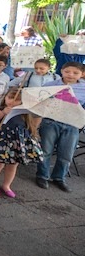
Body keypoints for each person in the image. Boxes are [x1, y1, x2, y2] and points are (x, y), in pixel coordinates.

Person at [36, 61, 85, 192]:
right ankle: (42, 175)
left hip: (72, 124)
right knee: (46, 150)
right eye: (67, 71)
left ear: (82, 74)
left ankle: (59, 177)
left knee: (66, 153)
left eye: (75, 73)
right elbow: (41, 102)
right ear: (62, 71)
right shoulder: (50, 85)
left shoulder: (84, 88)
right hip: (51, 121)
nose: (71, 75)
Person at [0, 90, 43, 198]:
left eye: (17, 100)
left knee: (13, 165)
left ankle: (7, 185)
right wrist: (3, 112)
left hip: (18, 140)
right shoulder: (2, 108)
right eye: (10, 98)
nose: (12, 101)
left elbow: (34, 123)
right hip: (3, 139)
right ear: (5, 97)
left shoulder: (25, 113)